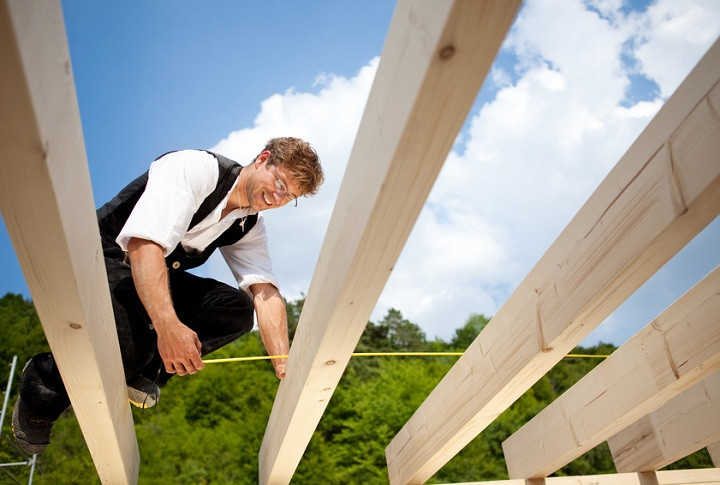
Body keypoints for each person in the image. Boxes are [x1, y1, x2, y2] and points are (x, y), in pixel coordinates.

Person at [12, 137, 323, 455]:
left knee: (236, 310)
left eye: (291, 198)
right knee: (128, 350)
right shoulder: (195, 169)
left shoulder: (248, 224)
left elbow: (265, 293)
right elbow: (143, 245)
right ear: (263, 159)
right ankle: (42, 386)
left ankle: (144, 371)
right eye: (281, 183)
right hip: (102, 256)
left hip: (150, 273)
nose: (278, 198)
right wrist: (167, 326)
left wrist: (284, 362)